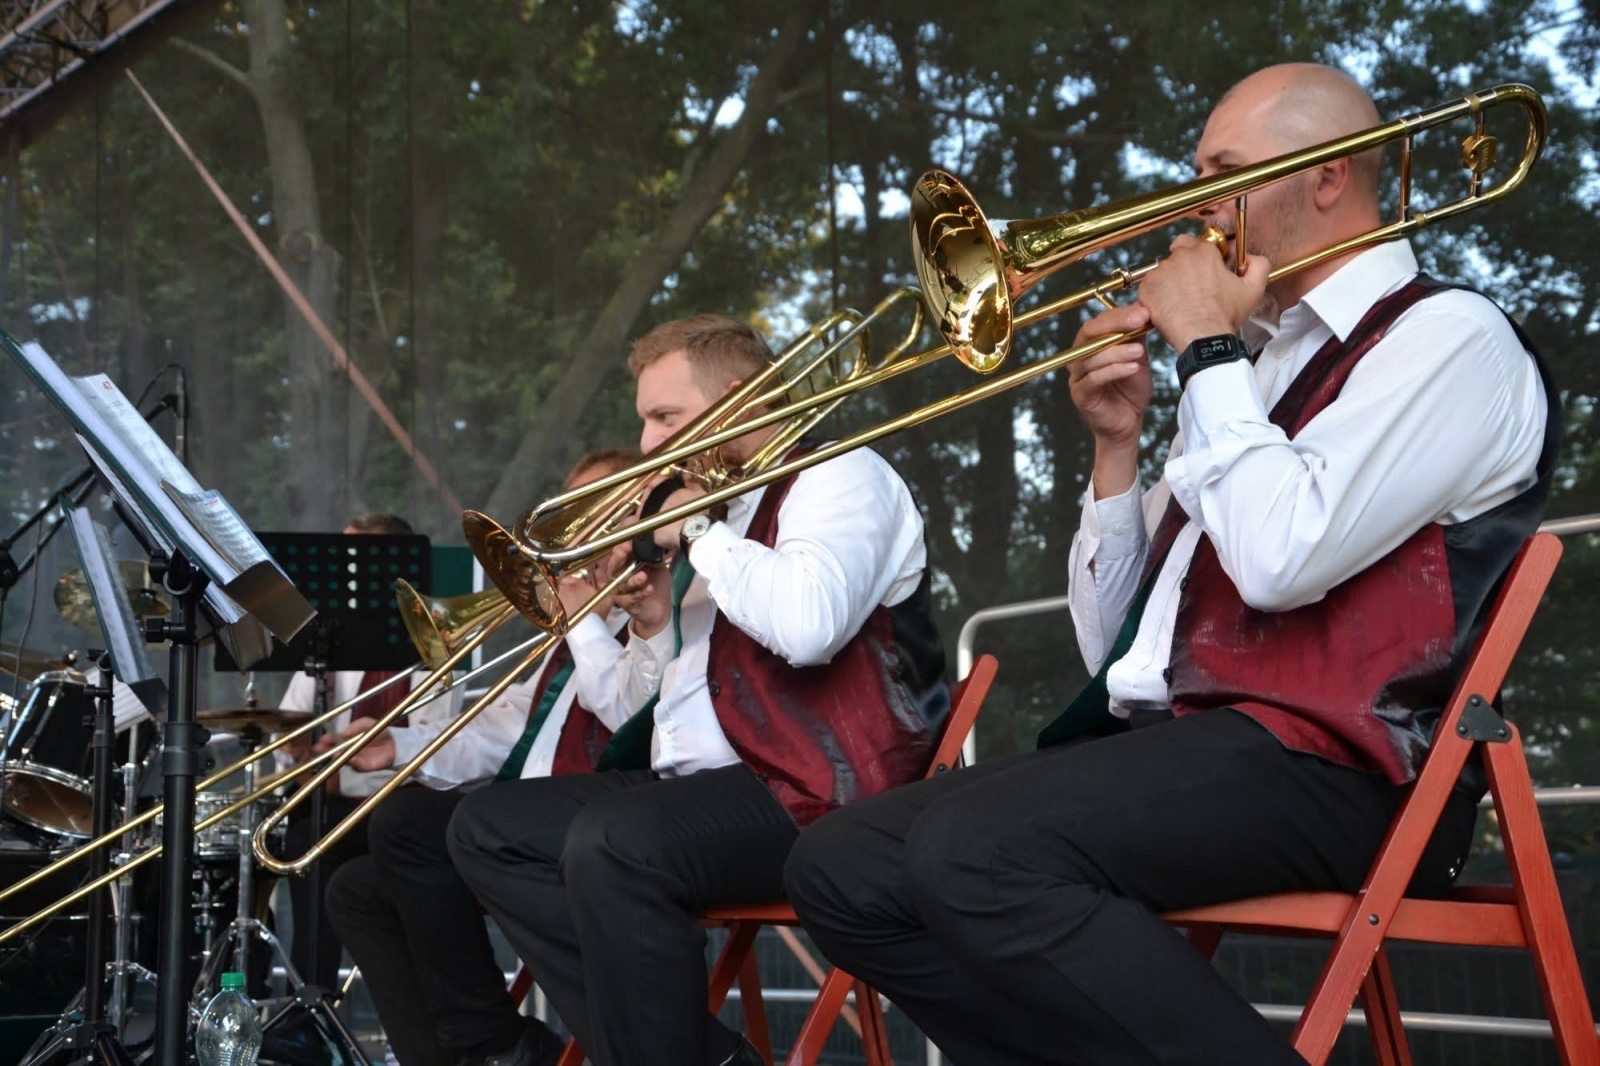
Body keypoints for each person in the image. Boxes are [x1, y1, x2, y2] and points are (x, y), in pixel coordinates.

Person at [783, 63, 1559, 1065]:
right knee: (840, 865)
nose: (1191, 206)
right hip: (1207, 746)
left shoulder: (1450, 337)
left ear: (1326, 180)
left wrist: (1203, 352)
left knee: (976, 850)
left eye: (1222, 173)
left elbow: (1282, 560)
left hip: (1347, 770)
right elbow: (1125, 650)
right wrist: (1116, 450)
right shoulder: (1256, 360)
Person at [446, 314, 949, 1066]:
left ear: (741, 401)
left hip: (828, 793)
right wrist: (651, 622)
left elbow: (809, 627)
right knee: (485, 826)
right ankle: (702, 1055)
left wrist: (698, 535)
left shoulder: (841, 474)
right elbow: (662, 718)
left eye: (665, 417)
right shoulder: (728, 513)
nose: (647, 444)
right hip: (715, 787)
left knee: (614, 843)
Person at [321, 448, 643, 1066]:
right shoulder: (573, 631)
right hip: (523, 820)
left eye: (591, 516)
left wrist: (586, 621)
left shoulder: (648, 611)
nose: (572, 538)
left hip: (604, 818)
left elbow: (629, 717)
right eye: (568, 521)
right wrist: (399, 746)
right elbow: (501, 730)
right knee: (356, 890)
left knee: (407, 826)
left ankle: (499, 1045)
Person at [275, 511, 459, 986]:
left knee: (308, 838)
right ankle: (281, 993)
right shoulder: (329, 635)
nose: (341, 570)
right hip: (335, 805)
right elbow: (288, 727)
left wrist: (346, 776)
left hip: (398, 811)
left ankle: (312, 998)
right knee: (284, 835)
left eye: (352, 558)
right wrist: (293, 747)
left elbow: (435, 755)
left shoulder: (429, 637)